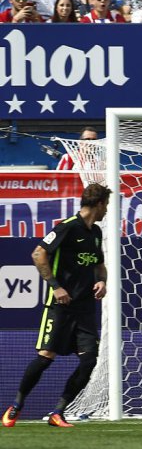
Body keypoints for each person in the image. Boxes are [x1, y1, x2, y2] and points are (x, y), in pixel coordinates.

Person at [2, 183, 111, 429]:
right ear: (99, 204)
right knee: (46, 357)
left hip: (84, 309)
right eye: (106, 205)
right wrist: (55, 286)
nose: (107, 210)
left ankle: (58, 411)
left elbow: (99, 265)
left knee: (89, 360)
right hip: (60, 306)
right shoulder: (67, 227)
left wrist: (102, 281)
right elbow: (38, 254)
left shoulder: (95, 232)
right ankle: (17, 405)